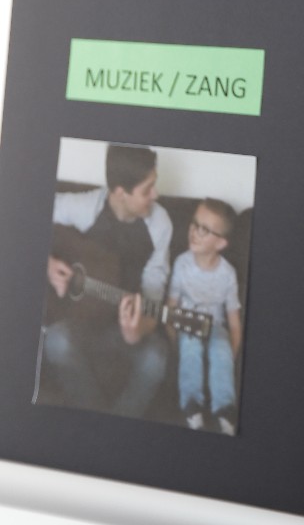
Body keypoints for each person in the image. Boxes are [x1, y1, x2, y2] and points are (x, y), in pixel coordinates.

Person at [43, 144, 171, 418]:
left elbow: (154, 292)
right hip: (83, 321)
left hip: (124, 329)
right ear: (120, 193)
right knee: (55, 340)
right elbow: (22, 213)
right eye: (147, 189)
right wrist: (48, 263)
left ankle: (116, 425)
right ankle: (97, 420)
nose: (156, 195)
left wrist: (139, 330)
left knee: (156, 358)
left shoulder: (160, 224)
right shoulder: (86, 207)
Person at [167, 198, 243, 434]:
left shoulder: (228, 274)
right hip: (186, 323)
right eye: (194, 223)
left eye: (204, 230)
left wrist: (228, 358)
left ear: (221, 243)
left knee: (220, 348)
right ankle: (192, 407)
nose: (194, 232)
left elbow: (234, 323)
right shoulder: (181, 263)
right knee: (190, 345)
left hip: (215, 327)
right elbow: (170, 309)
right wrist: (176, 344)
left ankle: (225, 410)